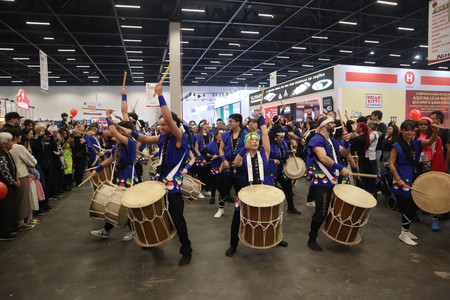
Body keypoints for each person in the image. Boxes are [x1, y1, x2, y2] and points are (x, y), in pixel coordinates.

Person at [132, 83, 193, 266]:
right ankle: (153, 239)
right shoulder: (163, 137)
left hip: (174, 180)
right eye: (161, 124)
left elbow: (168, 117)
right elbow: (143, 139)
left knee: (176, 215)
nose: (161, 126)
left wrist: (160, 95)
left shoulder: (179, 137)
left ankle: (186, 249)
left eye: (164, 124)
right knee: (156, 210)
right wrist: (128, 131)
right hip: (161, 177)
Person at [224, 113, 287, 257]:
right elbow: (237, 163)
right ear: (247, 142)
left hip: (266, 187)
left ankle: (277, 239)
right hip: (247, 190)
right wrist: (244, 148)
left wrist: (261, 118)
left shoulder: (264, 153)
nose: (255, 142)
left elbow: (264, 134)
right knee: (236, 216)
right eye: (251, 140)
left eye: (256, 140)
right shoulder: (243, 155)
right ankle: (233, 244)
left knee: (274, 214)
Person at [90, 88, 139, 242]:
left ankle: (133, 231)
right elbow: (109, 160)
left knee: (128, 203)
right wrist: (96, 170)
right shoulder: (118, 145)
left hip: (129, 174)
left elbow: (113, 131)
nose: (118, 131)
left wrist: (108, 115)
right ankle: (106, 230)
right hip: (120, 173)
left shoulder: (129, 141)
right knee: (115, 201)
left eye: (121, 129)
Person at [389, 120, 438, 246]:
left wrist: (435, 132)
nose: (409, 132)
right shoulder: (397, 145)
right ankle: (403, 234)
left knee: (414, 205)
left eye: (412, 130)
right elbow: (391, 164)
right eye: (407, 130)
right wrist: (398, 179)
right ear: (402, 131)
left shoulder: (415, 143)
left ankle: (406, 230)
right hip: (403, 177)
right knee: (408, 207)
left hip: (414, 175)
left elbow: (430, 141)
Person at [306, 116, 351, 251]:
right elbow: (323, 158)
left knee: (335, 209)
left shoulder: (331, 140)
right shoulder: (316, 139)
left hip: (335, 179)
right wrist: (341, 168)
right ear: (324, 125)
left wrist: (347, 143)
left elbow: (344, 153)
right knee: (322, 211)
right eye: (331, 122)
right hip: (323, 180)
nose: (334, 124)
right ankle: (311, 238)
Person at [215, 114, 249, 218]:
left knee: (242, 191)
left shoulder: (246, 135)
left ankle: (243, 211)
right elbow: (221, 149)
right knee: (224, 189)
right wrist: (224, 160)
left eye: (231, 121)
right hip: (227, 166)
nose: (228, 123)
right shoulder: (225, 135)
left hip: (240, 167)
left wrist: (241, 159)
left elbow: (249, 150)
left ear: (238, 123)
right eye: (229, 121)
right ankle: (221, 208)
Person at [268, 125, 301, 214]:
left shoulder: (283, 143)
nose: (282, 139)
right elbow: (264, 157)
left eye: (283, 137)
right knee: (271, 189)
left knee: (288, 187)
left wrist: (291, 152)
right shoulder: (268, 144)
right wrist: (272, 160)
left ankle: (291, 207)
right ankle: (269, 210)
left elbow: (283, 152)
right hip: (272, 169)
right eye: (280, 137)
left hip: (282, 168)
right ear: (275, 136)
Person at [9, 128, 37, 231]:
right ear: (16, 137)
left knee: (15, 200)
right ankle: (20, 222)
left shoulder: (8, 149)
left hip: (12, 176)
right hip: (21, 175)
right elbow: (33, 161)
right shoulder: (18, 147)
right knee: (22, 200)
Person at [0, 132, 20, 240]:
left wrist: (16, 178)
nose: (12, 143)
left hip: (10, 185)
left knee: (10, 207)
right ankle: (4, 231)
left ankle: (10, 227)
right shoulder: (1, 155)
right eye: (10, 141)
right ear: (4, 143)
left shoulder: (8, 153)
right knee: (5, 209)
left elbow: (12, 167)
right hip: (4, 186)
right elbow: (4, 171)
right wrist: (13, 181)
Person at [193, 120, 212, 198]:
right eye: (206, 124)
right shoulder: (198, 136)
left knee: (208, 175)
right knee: (201, 175)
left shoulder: (210, 135)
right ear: (201, 126)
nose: (207, 125)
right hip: (201, 156)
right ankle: (199, 191)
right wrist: (201, 158)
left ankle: (207, 190)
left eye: (208, 124)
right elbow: (196, 149)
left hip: (209, 156)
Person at [204, 129, 223, 204]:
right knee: (214, 182)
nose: (222, 136)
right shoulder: (211, 144)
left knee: (223, 182)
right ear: (216, 135)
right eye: (220, 134)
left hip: (222, 164)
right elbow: (207, 153)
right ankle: (213, 196)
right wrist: (212, 156)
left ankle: (226, 196)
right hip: (214, 164)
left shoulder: (225, 143)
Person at [371, 110, 387, 180]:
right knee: (373, 167)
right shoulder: (373, 125)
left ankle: (379, 183)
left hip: (378, 148)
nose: (371, 117)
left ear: (376, 116)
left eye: (372, 116)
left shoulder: (382, 125)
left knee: (378, 168)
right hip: (372, 150)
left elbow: (378, 135)